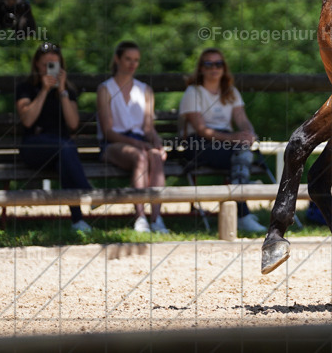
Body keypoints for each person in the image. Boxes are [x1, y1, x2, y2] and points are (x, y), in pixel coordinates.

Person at [179, 48, 266, 234]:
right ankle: (243, 211)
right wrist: (235, 138)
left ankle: (240, 205)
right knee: (241, 156)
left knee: (242, 152)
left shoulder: (231, 91)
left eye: (218, 64)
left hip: (226, 144)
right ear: (201, 69)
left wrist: (249, 133)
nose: (214, 68)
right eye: (208, 64)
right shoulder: (192, 92)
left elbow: (241, 119)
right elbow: (202, 130)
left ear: (224, 68)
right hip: (199, 144)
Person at [15, 42, 94, 234]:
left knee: (63, 157)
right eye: (46, 65)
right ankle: (89, 192)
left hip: (62, 150)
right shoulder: (26, 88)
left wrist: (62, 92)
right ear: (36, 65)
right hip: (34, 147)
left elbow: (73, 123)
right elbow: (27, 121)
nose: (50, 69)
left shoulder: (68, 90)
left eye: (55, 65)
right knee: (65, 147)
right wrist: (43, 91)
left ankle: (77, 221)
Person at [97, 41, 168, 234]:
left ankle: (157, 218)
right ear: (117, 59)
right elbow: (108, 131)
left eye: (136, 60)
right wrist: (138, 144)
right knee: (141, 156)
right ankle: (140, 217)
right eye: (128, 59)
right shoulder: (105, 89)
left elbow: (147, 127)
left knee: (155, 157)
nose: (132, 64)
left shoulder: (145, 90)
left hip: (139, 141)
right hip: (113, 144)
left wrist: (158, 145)